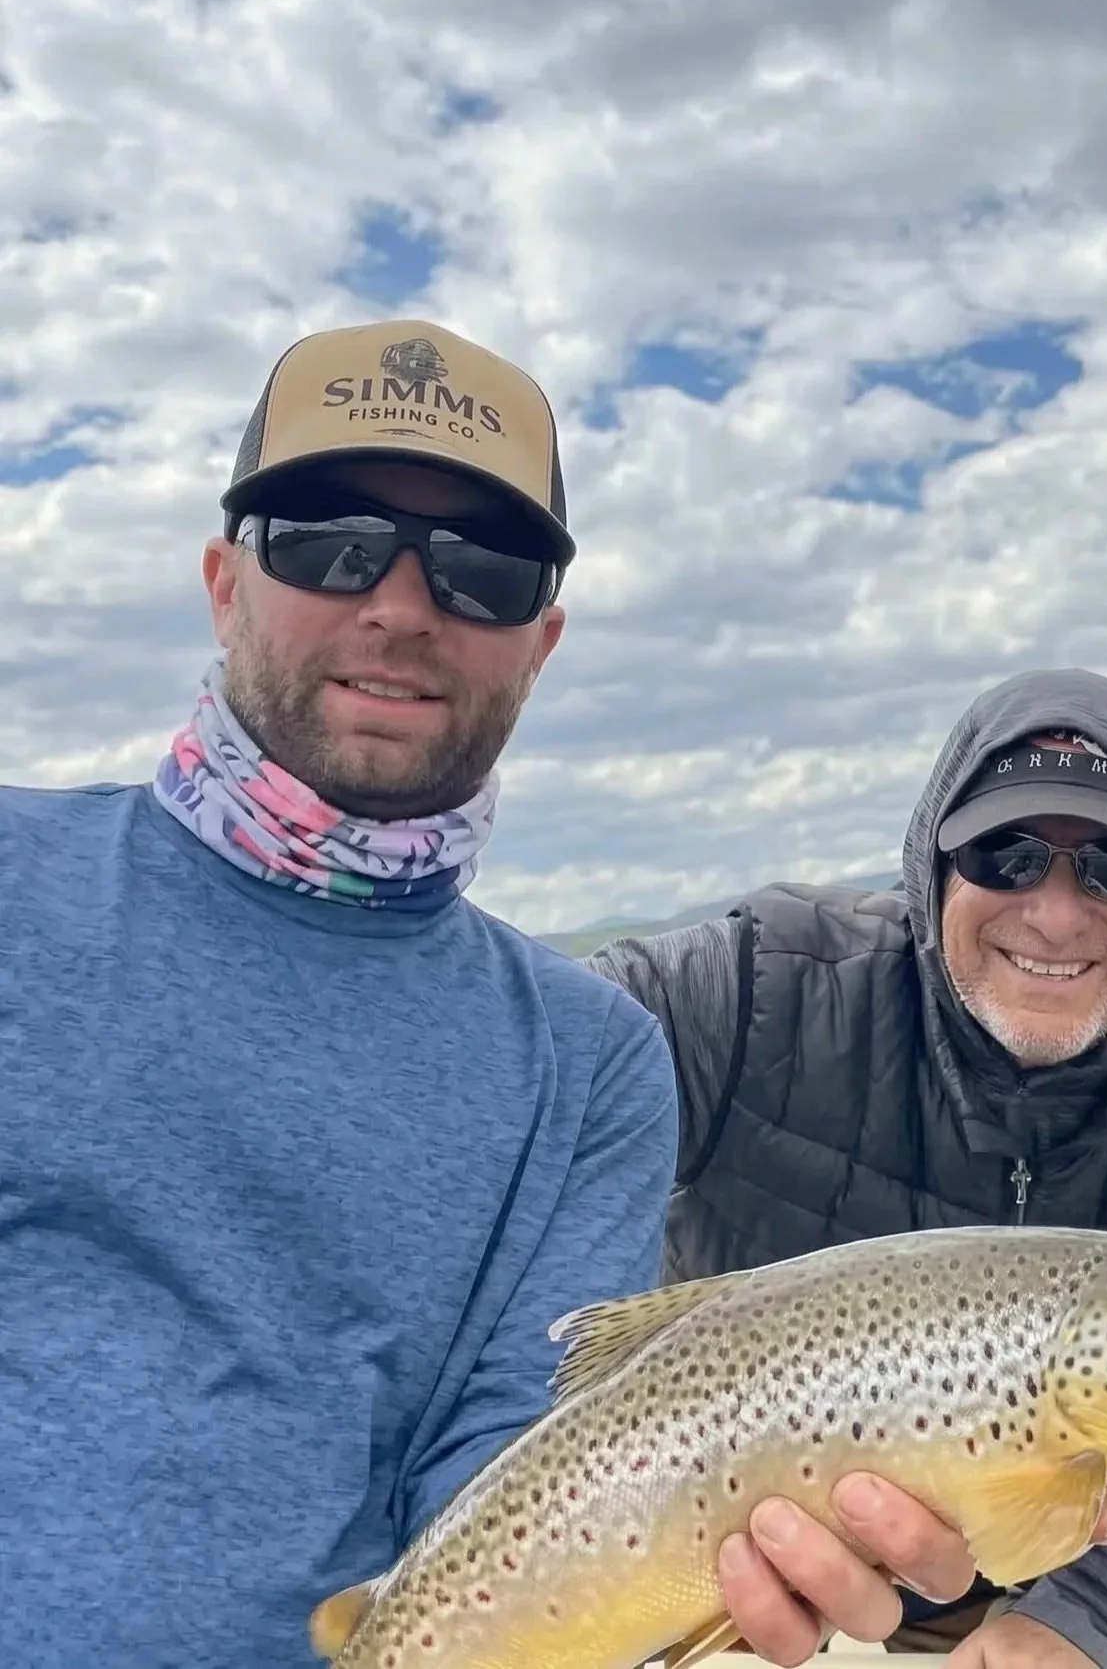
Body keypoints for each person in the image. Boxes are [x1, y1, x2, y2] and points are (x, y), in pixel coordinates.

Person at [0, 319, 679, 1669]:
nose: (400, 604)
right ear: (221, 582)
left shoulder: (589, 1063)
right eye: (326, 537)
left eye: (482, 571)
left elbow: (513, 1487)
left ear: (539, 642)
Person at [586, 669, 1107, 1669]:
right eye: (1006, 854)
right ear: (933, 866)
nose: (1052, 913)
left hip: (1054, 1601)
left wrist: (1077, 1620)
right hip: (710, 1590)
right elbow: (515, 1076)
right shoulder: (751, 992)